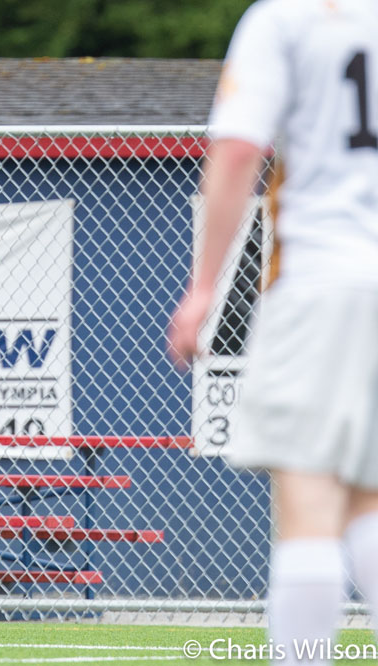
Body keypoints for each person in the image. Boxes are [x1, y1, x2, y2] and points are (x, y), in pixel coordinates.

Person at [169, 1, 378, 662]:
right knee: (367, 504)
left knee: (310, 501)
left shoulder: (286, 18)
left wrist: (204, 287)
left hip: (322, 277)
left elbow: (238, 150)